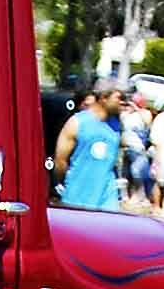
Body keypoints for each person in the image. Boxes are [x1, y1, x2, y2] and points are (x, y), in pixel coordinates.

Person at [53, 80, 125, 212]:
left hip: (107, 200)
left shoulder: (117, 126)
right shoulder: (77, 123)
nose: (123, 102)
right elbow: (60, 161)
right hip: (77, 198)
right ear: (104, 98)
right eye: (119, 98)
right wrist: (64, 184)